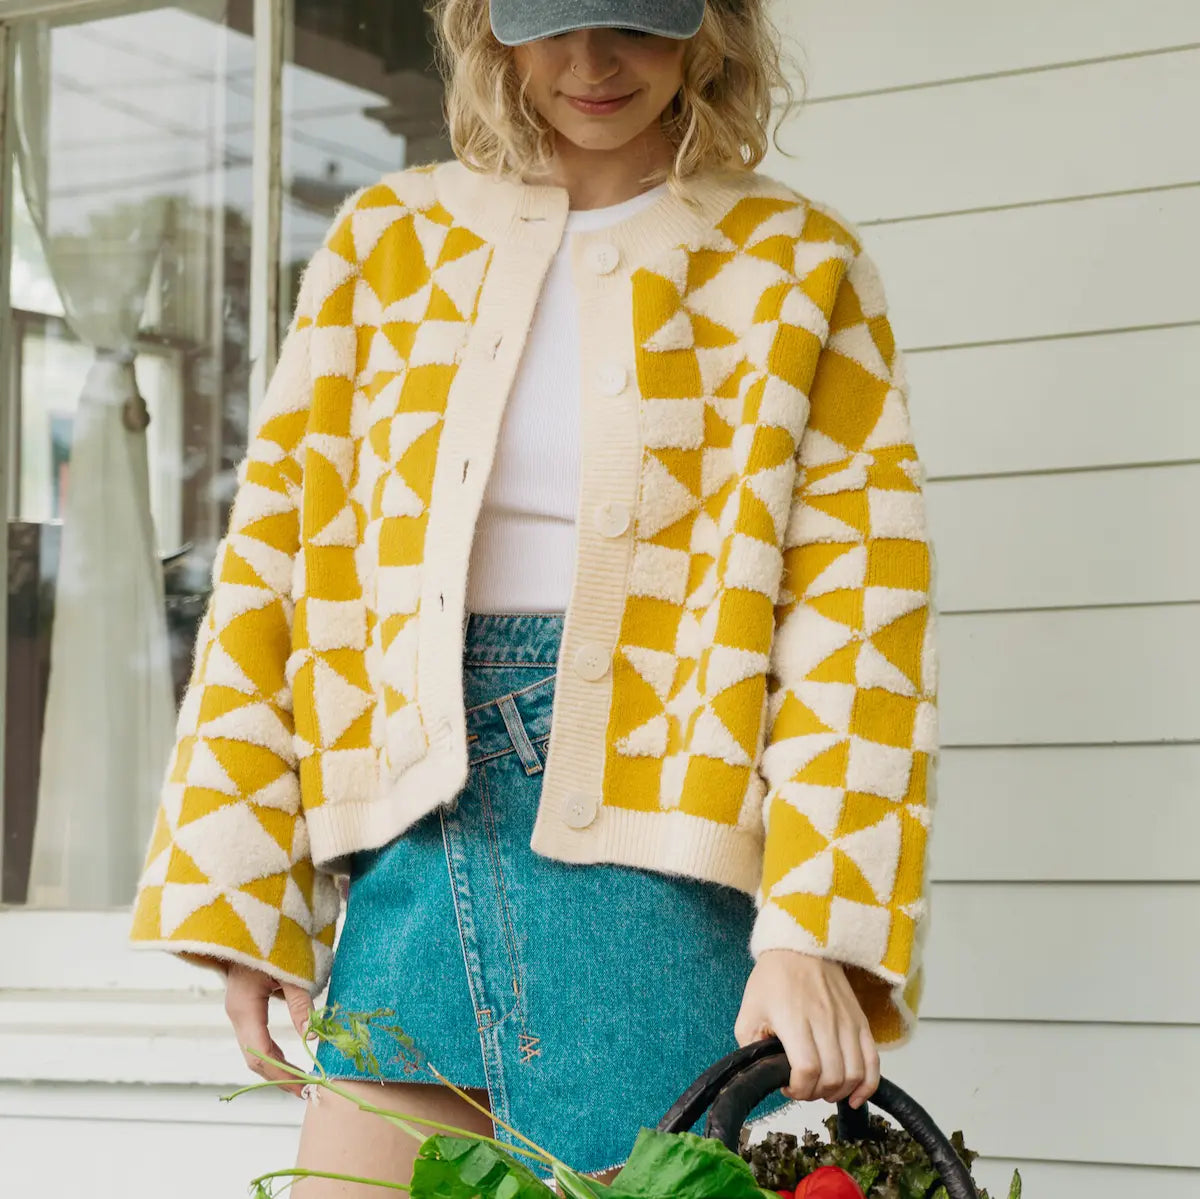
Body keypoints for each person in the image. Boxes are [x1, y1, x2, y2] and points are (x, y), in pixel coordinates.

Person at [129, 0, 939, 1194]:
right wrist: (248, 894)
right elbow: (276, 570)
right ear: (489, 23)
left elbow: (859, 625)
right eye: (556, 21)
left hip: (665, 867)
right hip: (416, 837)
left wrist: (813, 923)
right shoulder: (387, 244)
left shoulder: (797, 266)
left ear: (708, 26)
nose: (594, 65)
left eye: (638, 25)